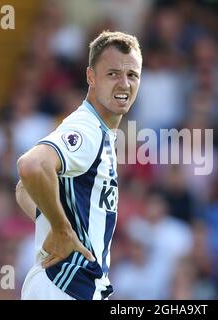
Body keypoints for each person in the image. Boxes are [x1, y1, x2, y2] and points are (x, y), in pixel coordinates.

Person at [16, 30, 142, 300]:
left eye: (132, 75)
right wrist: (62, 229)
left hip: (67, 286)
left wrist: (54, 223)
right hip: (66, 285)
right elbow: (31, 167)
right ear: (90, 77)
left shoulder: (100, 131)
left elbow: (24, 189)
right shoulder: (87, 130)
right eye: (113, 74)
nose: (124, 83)